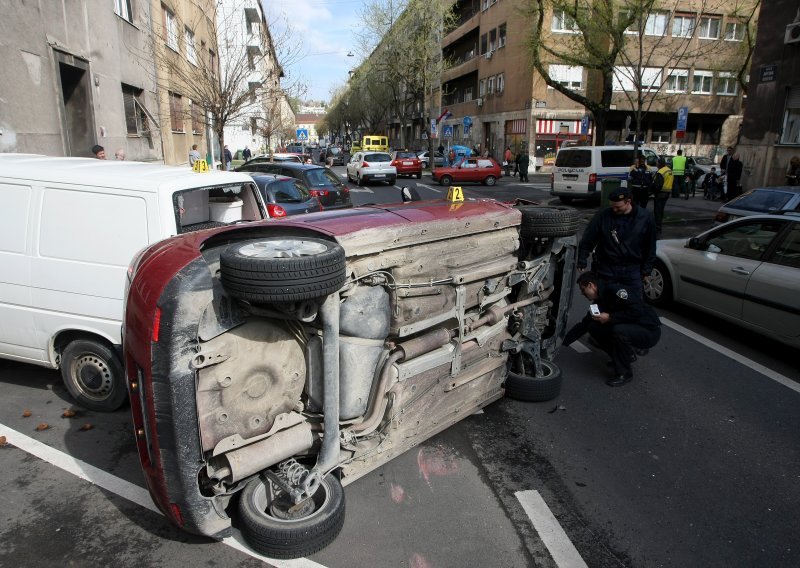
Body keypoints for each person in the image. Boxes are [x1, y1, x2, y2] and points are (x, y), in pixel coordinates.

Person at [562, 271, 661, 387]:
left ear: (591, 285)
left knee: (619, 331)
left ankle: (625, 373)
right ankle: (625, 356)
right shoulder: (599, 301)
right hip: (632, 328)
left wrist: (610, 318)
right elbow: (583, 325)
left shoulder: (614, 291)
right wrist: (561, 342)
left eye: (583, 290)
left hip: (649, 330)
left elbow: (637, 310)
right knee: (593, 327)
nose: (582, 294)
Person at [577, 186, 657, 299]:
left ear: (628, 201)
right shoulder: (603, 216)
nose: (614, 210)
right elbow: (588, 239)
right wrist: (582, 259)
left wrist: (647, 270)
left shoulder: (645, 218)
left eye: (618, 207)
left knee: (634, 304)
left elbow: (650, 246)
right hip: (607, 269)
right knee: (605, 303)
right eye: (612, 206)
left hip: (632, 270)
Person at [651, 158, 673, 238]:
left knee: (658, 212)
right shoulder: (669, 170)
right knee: (660, 211)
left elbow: (658, 185)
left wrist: (652, 191)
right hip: (666, 193)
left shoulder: (661, 172)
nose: (656, 164)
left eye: (657, 163)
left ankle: (657, 230)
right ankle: (658, 228)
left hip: (660, 193)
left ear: (660, 164)